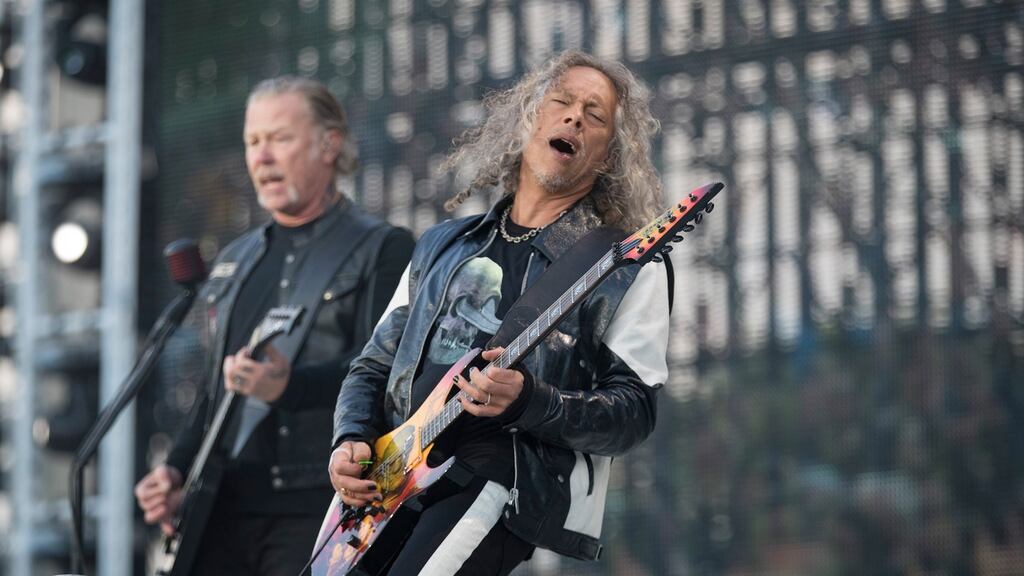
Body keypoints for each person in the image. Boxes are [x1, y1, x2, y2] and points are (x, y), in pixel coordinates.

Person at [328, 50, 671, 575]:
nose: (574, 116)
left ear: (607, 156)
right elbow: (373, 366)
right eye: (561, 101)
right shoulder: (443, 245)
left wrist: (531, 401)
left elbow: (633, 412)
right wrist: (349, 438)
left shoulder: (624, 266)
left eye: (595, 115)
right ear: (528, 119)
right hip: (388, 480)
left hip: (497, 479)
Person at [134, 76, 415, 575]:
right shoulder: (236, 261)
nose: (261, 157)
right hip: (223, 507)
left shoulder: (384, 248)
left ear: (329, 144)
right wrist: (177, 469)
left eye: (279, 138)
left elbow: (388, 372)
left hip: (321, 508)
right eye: (252, 142)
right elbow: (216, 391)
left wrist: (291, 386)